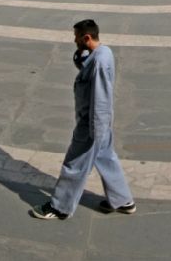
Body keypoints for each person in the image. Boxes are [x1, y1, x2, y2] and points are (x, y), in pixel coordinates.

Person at [31, 20, 135, 220]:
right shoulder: (101, 54)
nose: (74, 40)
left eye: (77, 37)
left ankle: (59, 207)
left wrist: (96, 131)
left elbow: (102, 98)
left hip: (93, 123)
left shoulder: (100, 62)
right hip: (98, 123)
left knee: (74, 164)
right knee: (105, 157)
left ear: (87, 37)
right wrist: (81, 64)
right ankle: (123, 201)